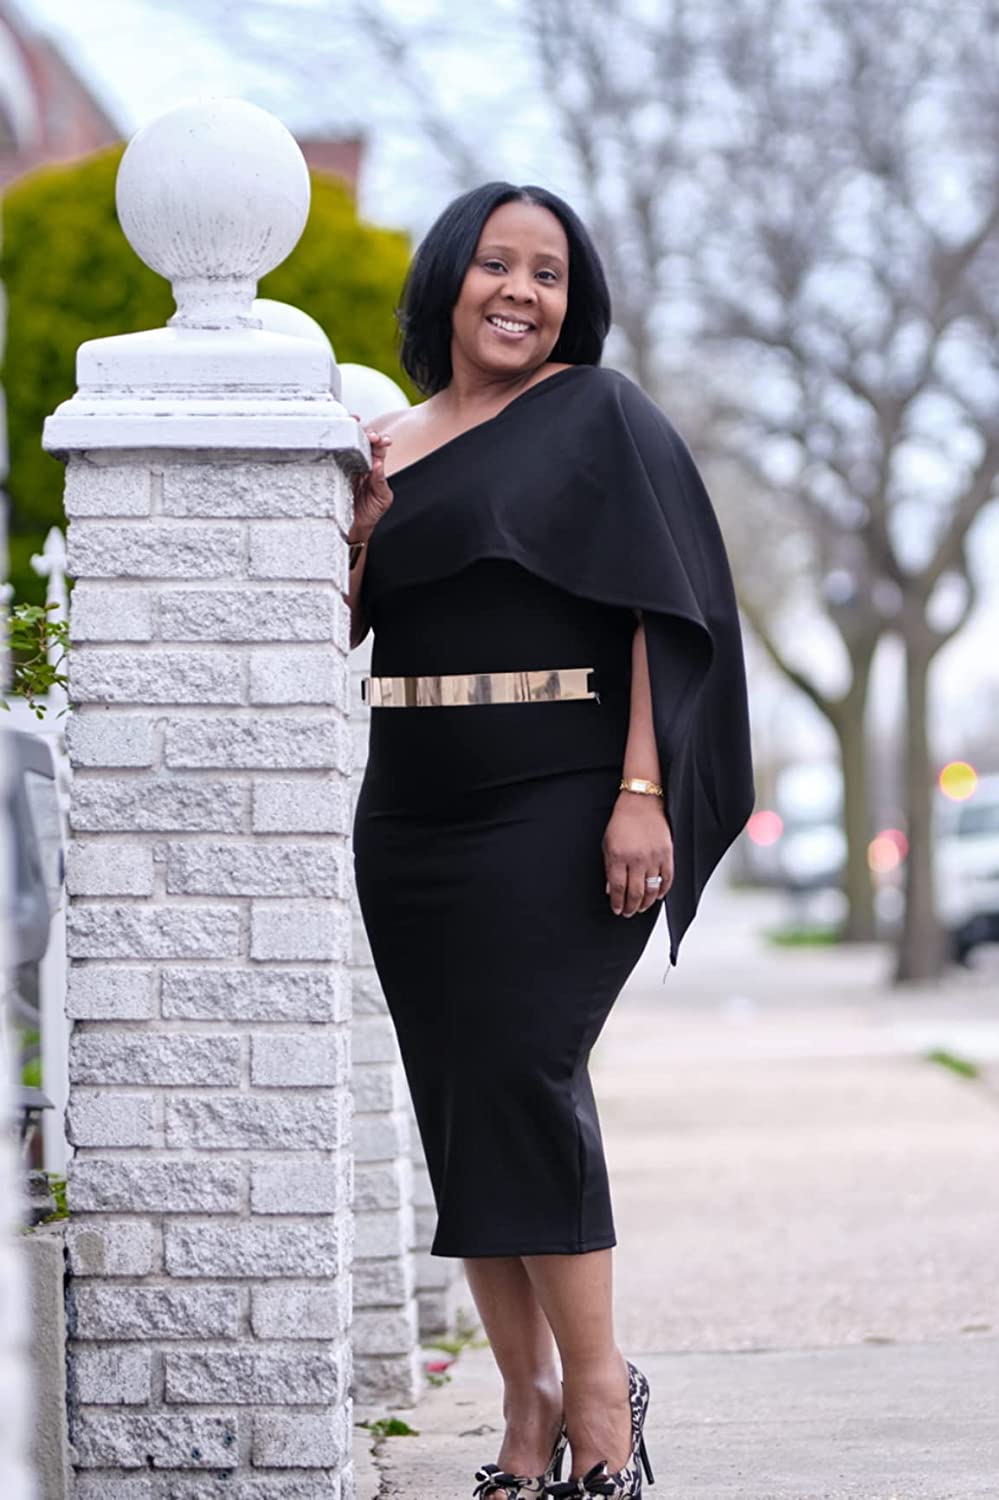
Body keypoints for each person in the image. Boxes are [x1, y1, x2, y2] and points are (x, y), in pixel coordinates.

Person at [348, 182, 754, 1500]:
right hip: (408, 810)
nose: (521, 291)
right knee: (460, 1107)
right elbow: (337, 627)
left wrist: (643, 789)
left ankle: (596, 1400)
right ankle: (523, 1406)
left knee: (523, 1075)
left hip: (562, 796)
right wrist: (358, 532)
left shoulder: (598, 417)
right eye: (496, 264)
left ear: (572, 302)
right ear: (448, 279)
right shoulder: (381, 446)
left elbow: (660, 610)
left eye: (548, 272)